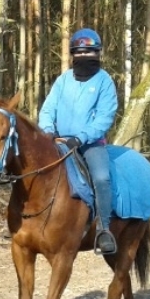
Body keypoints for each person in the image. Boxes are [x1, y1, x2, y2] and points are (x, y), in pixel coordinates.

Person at [38, 27, 118, 255]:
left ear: (97, 54)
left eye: (89, 53)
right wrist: (47, 131)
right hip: (59, 142)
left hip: (91, 145)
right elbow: (48, 108)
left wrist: (81, 138)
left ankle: (104, 229)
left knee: (102, 178)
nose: (84, 57)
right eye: (79, 53)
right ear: (73, 54)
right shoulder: (63, 80)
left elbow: (105, 117)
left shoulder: (105, 82)